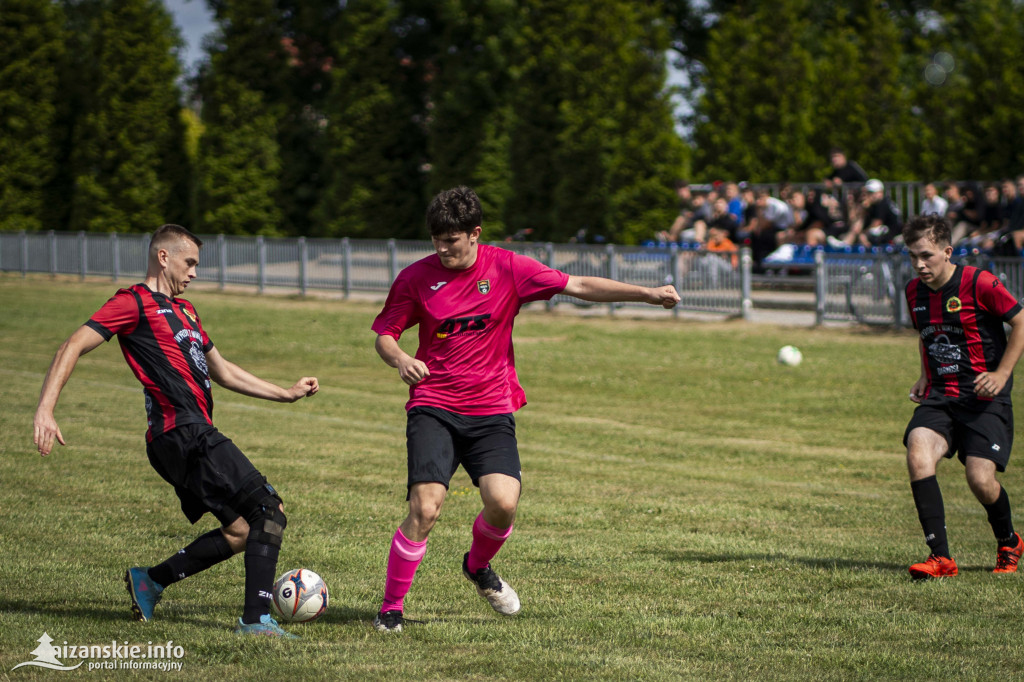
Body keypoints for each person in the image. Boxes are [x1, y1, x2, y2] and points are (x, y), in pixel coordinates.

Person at [369, 186, 680, 633]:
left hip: (491, 409)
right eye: (435, 239)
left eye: (451, 240)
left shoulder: (508, 268)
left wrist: (647, 294)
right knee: (426, 507)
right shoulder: (417, 277)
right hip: (434, 405)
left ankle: (477, 568)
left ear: (475, 234)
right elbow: (385, 333)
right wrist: (400, 358)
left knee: (502, 504)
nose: (441, 248)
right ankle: (391, 609)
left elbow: (578, 285)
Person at [32, 224, 320, 637]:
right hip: (182, 432)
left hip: (188, 435)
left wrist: (286, 393)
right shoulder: (133, 302)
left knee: (241, 530)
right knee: (269, 511)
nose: (195, 273)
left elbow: (222, 371)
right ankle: (256, 621)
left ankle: (151, 580)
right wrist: (46, 408)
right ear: (163, 257)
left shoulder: (187, 312)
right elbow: (72, 344)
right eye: (190, 263)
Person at [902, 214, 1024, 579]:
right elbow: (927, 335)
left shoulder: (978, 283)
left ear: (947, 251)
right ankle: (940, 558)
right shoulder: (914, 292)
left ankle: (1008, 541)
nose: (920, 264)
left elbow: (1020, 322)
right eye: (912, 257)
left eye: (926, 255)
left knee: (979, 479)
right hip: (941, 396)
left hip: (985, 399)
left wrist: (1001, 374)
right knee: (918, 452)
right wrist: (925, 375)